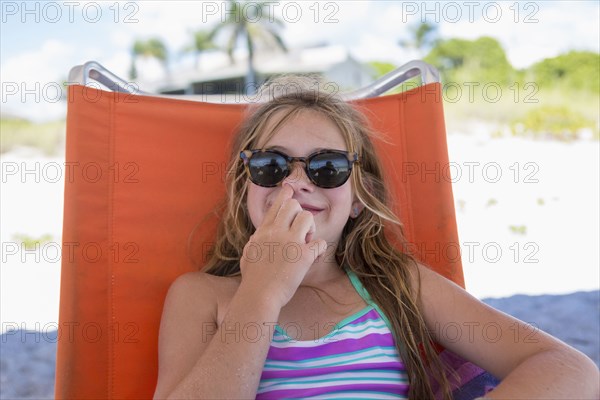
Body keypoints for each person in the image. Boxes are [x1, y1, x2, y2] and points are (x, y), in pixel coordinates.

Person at [152, 76, 599, 400]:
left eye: (327, 167)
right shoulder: (202, 297)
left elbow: (568, 369)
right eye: (271, 164)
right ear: (244, 185)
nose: (295, 182)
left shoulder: (396, 284)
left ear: (360, 197)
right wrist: (261, 292)